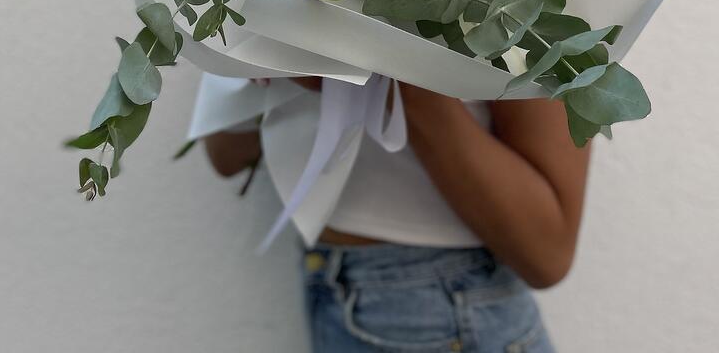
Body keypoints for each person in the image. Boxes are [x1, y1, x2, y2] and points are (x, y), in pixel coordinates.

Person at [204, 76, 590, 352]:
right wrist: (268, 63)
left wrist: (386, 67)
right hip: (331, 285)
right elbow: (223, 153)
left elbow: (548, 252)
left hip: (449, 305)